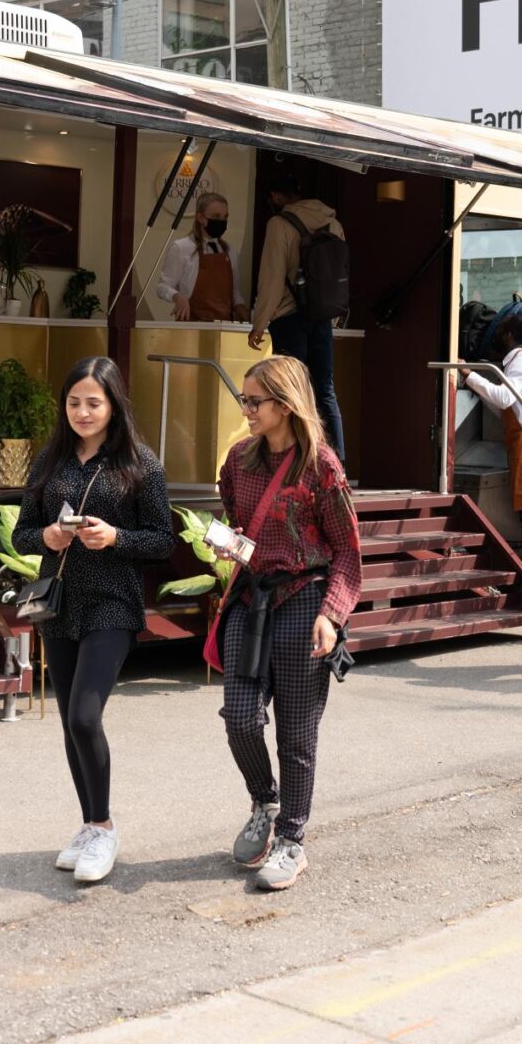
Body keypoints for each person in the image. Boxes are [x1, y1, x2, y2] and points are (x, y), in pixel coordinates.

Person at [11, 358, 174, 884]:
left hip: (112, 603)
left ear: (113, 405)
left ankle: (103, 828)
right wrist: (48, 538)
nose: (83, 412)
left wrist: (115, 537)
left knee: (85, 715)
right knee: (68, 723)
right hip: (58, 603)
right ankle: (87, 824)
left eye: (94, 402)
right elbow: (21, 534)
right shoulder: (50, 460)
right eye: (74, 401)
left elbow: (163, 541)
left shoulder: (140, 463)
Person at [213, 355, 362, 891]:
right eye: (245, 401)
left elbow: (347, 550)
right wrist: (219, 541)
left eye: (255, 401)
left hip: (305, 598)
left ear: (285, 403)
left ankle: (292, 840)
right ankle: (264, 801)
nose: (247, 409)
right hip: (251, 597)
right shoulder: (238, 461)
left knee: (298, 732)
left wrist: (332, 614)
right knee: (240, 718)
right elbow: (236, 524)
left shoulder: (322, 466)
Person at [248, 173, 347, 458]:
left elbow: (272, 277)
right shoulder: (334, 223)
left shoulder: (279, 224)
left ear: (277, 197)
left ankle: (294, 458)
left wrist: (259, 322)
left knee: (289, 390)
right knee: (325, 389)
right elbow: (339, 275)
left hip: (289, 317)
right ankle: (336, 460)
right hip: (322, 316)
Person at [464, 309, 522, 591]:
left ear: (509, 336)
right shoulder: (517, 363)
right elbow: (507, 405)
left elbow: (503, 398)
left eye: (500, 331)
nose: (496, 336)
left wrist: (470, 376)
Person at [152, 189, 242, 323]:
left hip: (224, 327)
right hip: (191, 326)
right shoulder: (181, 248)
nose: (222, 221)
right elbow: (162, 286)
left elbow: (235, 295)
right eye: (216, 216)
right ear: (200, 218)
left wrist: (243, 310)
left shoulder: (230, 251)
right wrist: (177, 297)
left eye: (225, 217)